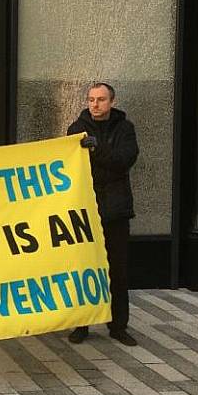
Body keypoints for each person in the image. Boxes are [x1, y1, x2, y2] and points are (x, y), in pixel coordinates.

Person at [66, 82, 139, 347]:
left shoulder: (125, 129)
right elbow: (75, 166)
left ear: (112, 102)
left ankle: (118, 326)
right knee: (84, 268)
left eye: (100, 100)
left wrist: (97, 151)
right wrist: (103, 161)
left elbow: (124, 160)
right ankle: (81, 325)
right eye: (91, 100)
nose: (95, 105)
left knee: (117, 270)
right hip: (86, 209)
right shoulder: (76, 130)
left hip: (117, 211)